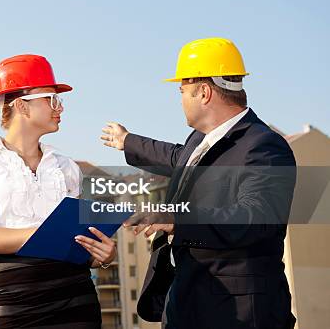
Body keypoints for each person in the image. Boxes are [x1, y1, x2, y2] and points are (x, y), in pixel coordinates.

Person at [101, 38, 297, 329]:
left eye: (182, 91)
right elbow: (178, 157)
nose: (179, 99)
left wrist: (177, 218)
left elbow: (256, 219)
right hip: (187, 303)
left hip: (239, 314)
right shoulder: (200, 142)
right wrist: (127, 141)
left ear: (204, 92)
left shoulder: (264, 146)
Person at [0, 54, 116, 329]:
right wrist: (54, 232)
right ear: (22, 107)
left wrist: (101, 255)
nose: (60, 108)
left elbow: (76, 246)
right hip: (15, 300)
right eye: (52, 100)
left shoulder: (68, 168)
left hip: (77, 300)